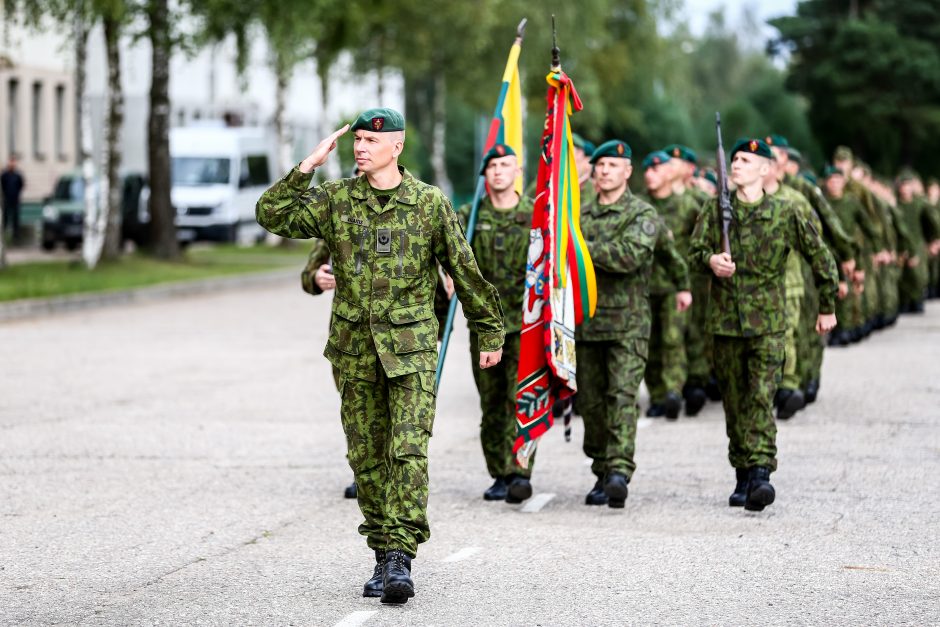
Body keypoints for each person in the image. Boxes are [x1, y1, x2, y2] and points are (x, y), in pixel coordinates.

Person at [255, 108, 504, 605]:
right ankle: (381, 551)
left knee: (407, 451)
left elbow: (465, 269)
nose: (361, 148)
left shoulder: (429, 203)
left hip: (411, 352)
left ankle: (400, 556)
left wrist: (490, 331)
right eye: (358, 140)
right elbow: (271, 215)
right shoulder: (336, 200)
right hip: (354, 353)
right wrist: (307, 165)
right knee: (366, 460)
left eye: (371, 140)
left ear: (397, 146)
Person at [690, 138, 839, 512]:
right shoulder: (715, 210)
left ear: (765, 169)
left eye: (745, 160)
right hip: (725, 323)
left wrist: (827, 307)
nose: (736, 165)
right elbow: (691, 254)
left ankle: (760, 472)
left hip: (769, 323)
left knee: (760, 397)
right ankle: (742, 471)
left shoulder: (785, 212)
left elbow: (821, 259)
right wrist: (710, 260)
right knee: (735, 403)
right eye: (734, 159)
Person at [576, 139, 659, 509]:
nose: (606, 170)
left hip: (628, 325)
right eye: (601, 165)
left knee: (622, 397)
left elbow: (630, 255)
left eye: (614, 165)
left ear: (628, 171)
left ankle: (619, 471)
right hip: (587, 323)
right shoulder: (577, 214)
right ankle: (600, 469)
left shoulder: (642, 214)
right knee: (592, 404)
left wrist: (578, 248)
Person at [457, 144, 535, 503]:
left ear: (518, 171)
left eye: (506, 165)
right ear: (485, 174)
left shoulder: (536, 216)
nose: (499, 171)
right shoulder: (469, 216)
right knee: (491, 404)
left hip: (527, 324)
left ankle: (520, 471)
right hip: (484, 327)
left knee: (520, 400)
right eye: (492, 166)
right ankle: (499, 473)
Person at [640, 150, 695, 419]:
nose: (651, 174)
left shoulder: (687, 206)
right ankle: (658, 396)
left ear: (668, 172)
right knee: (649, 343)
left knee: (673, 340)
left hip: (674, 284)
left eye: (657, 169)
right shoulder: (640, 207)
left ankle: (674, 390)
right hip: (644, 288)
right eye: (647, 170)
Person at [1, 156, 25, 243]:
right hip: (7, 199)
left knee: (15, 218)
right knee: (6, 217)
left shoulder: (17, 175)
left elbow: (21, 185)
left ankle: (16, 236)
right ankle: (4, 234)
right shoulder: (5, 175)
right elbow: (3, 185)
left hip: (15, 199)